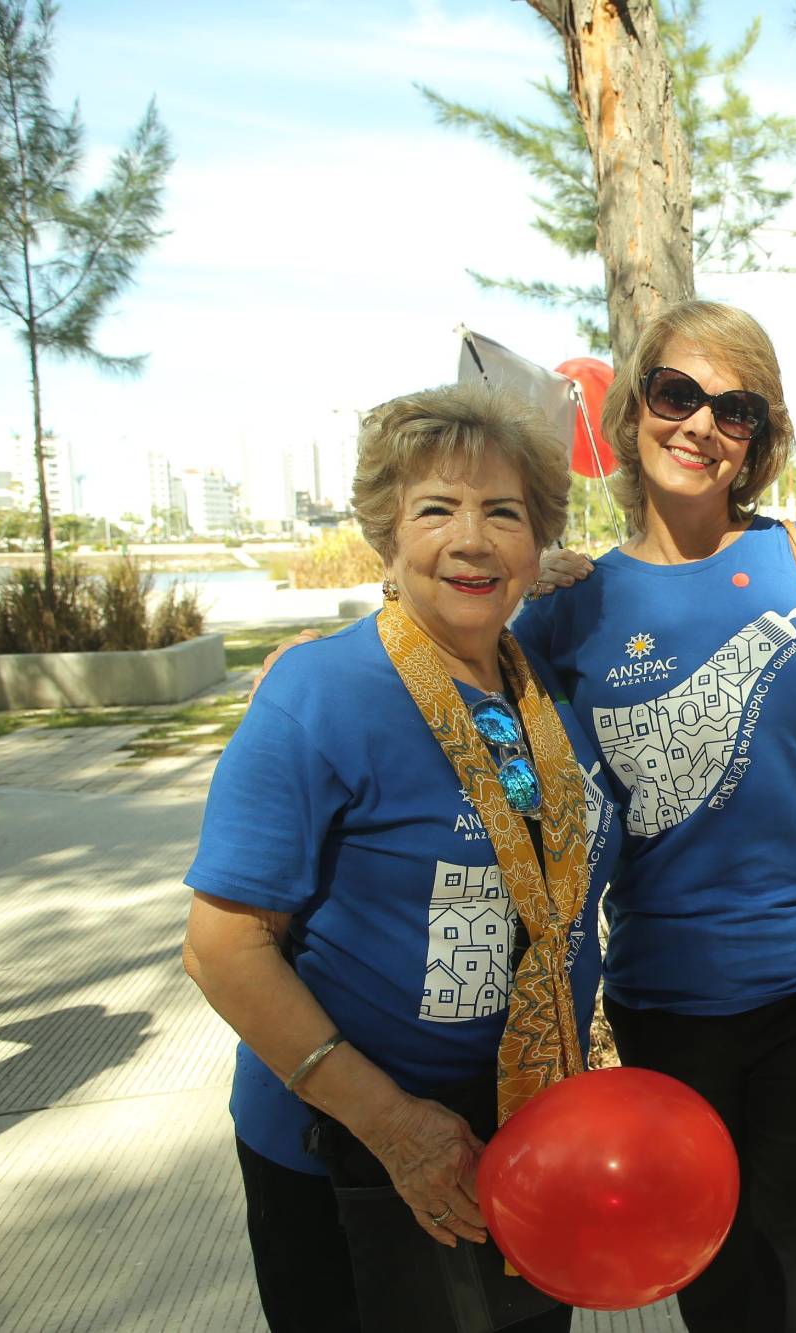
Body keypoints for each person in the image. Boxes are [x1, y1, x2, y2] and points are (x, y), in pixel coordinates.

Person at [183, 385, 620, 1333]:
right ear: (386, 533)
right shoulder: (320, 691)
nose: (472, 540)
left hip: (529, 1127)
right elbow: (222, 948)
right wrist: (393, 1125)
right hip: (357, 1150)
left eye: (503, 513)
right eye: (436, 510)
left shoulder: (540, 683)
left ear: (537, 541)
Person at [511, 300, 796, 1333]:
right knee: (721, 1300)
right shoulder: (565, 607)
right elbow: (511, 782)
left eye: (734, 410)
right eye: (675, 393)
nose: (699, 425)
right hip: (671, 1009)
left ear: (759, 439)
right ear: (632, 409)